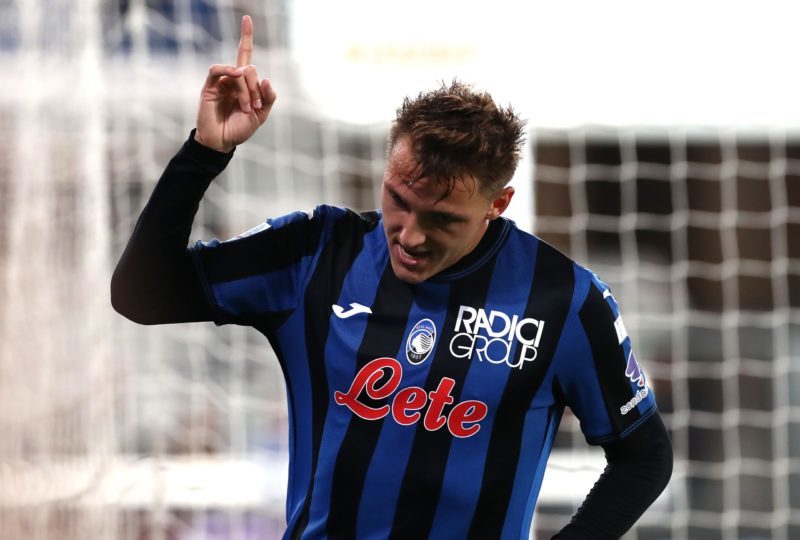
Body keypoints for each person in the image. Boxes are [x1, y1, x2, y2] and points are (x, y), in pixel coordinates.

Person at [111, 15, 672, 540]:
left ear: (497, 204)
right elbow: (141, 293)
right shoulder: (316, 254)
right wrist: (205, 153)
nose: (409, 234)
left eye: (442, 219)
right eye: (398, 201)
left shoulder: (564, 300)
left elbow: (643, 457)